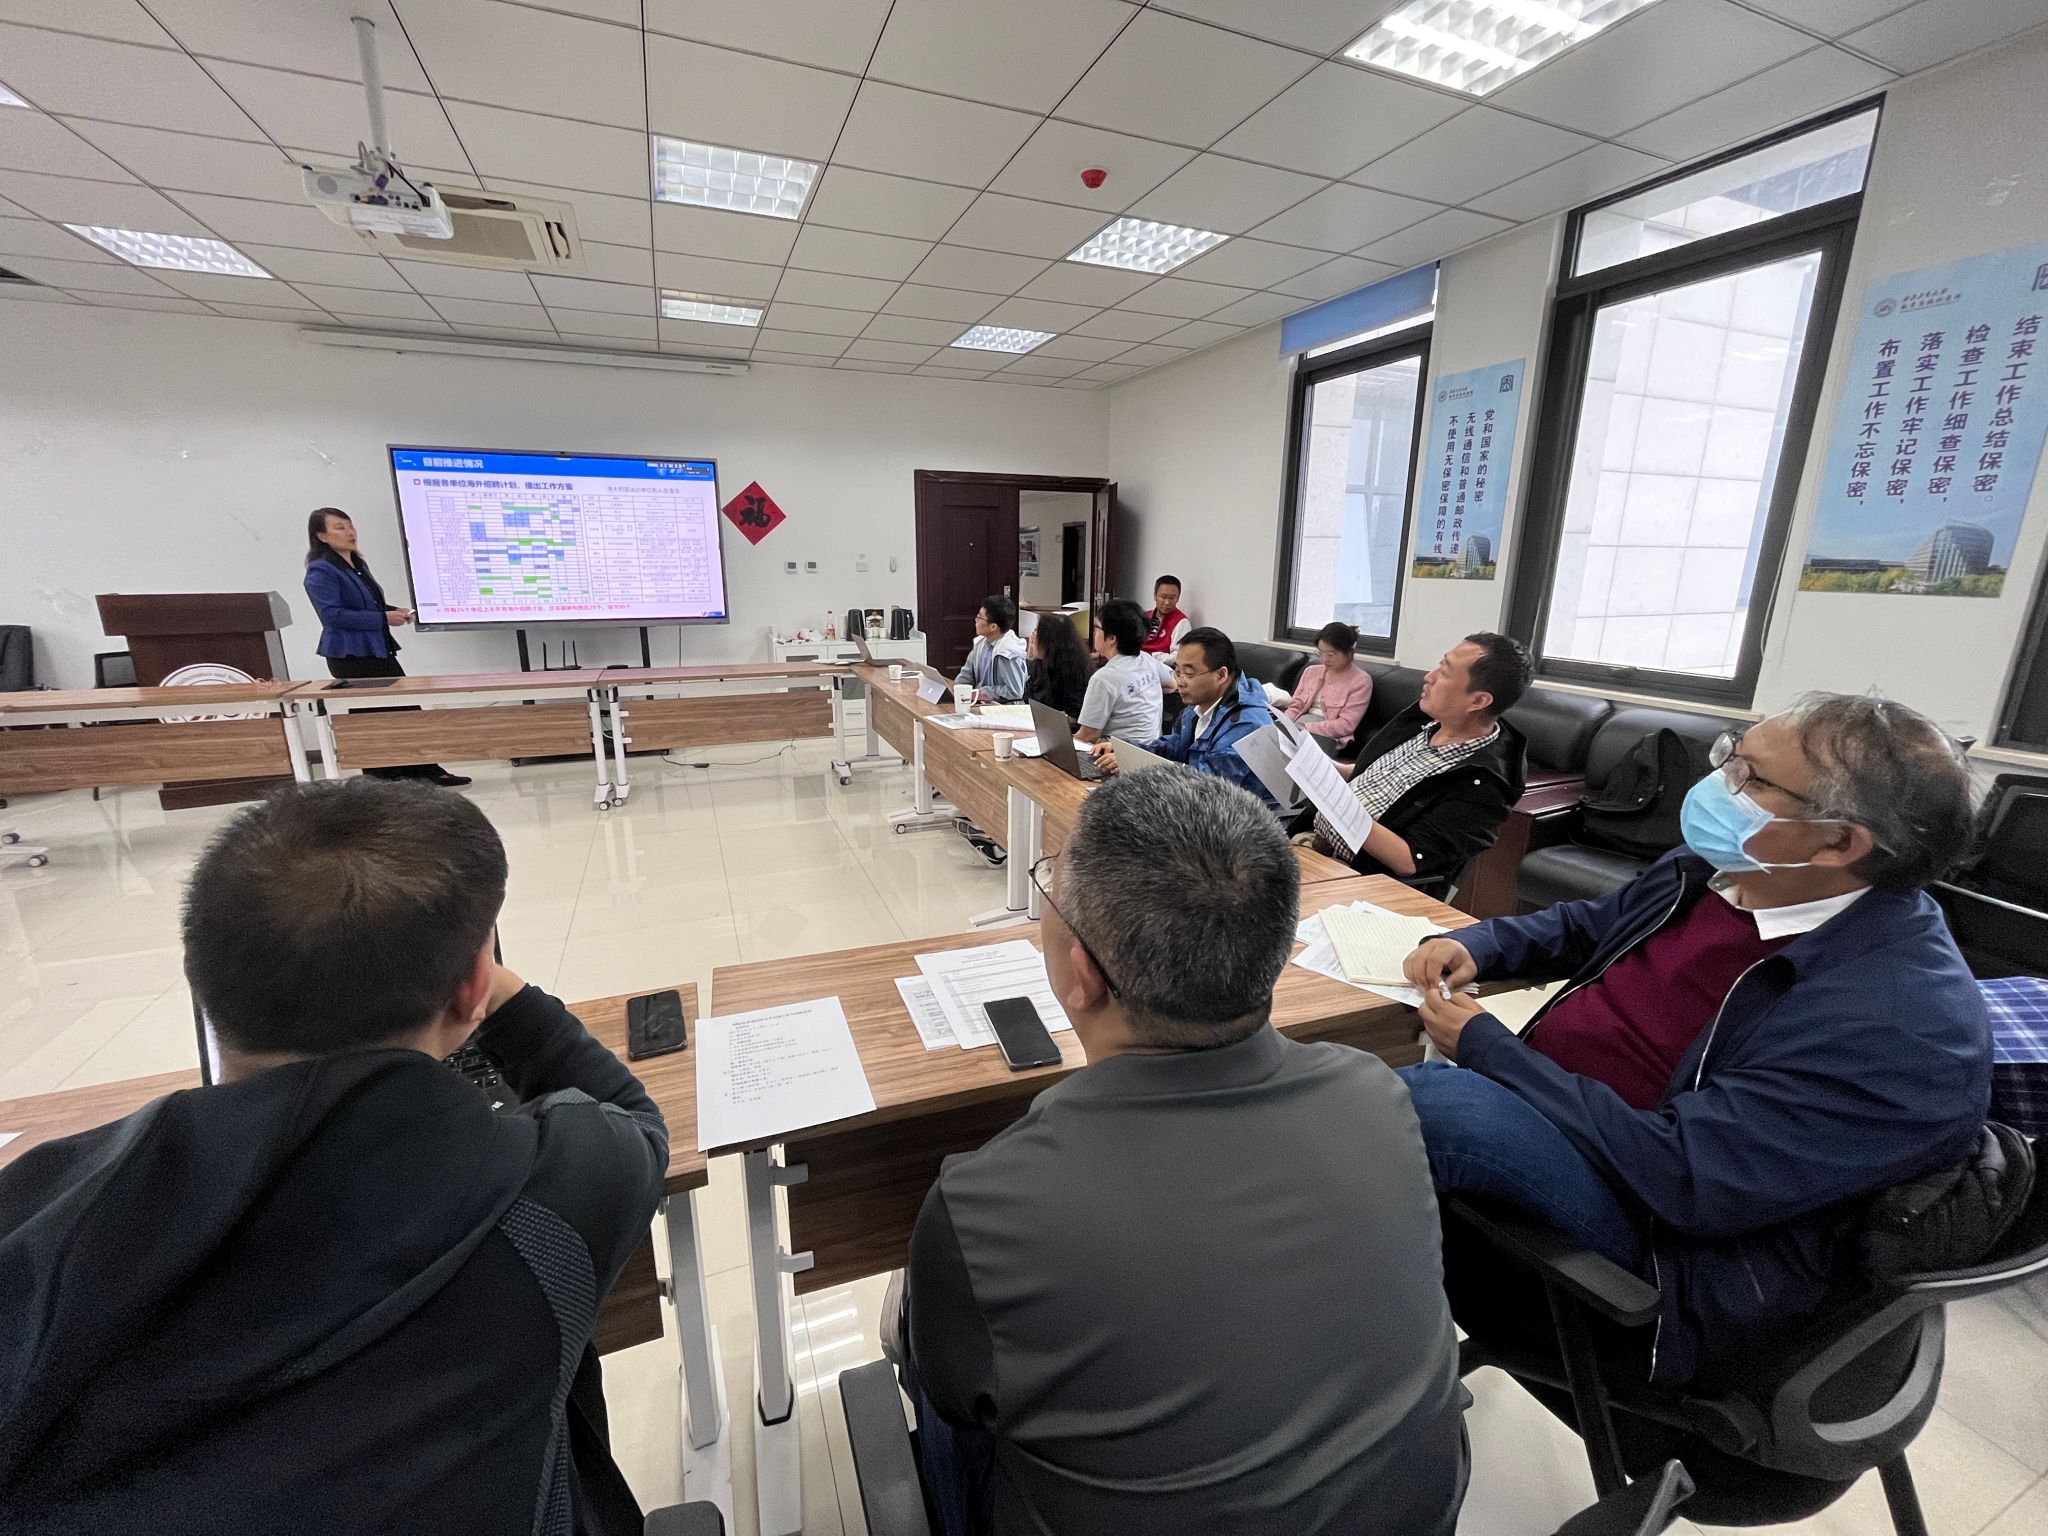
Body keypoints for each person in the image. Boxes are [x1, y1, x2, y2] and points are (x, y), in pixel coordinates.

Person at [0, 779, 666, 1533]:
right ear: (471, 990)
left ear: (198, 977)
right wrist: (480, 986)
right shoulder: (545, 1194)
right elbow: (636, 1121)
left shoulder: (36, 1206)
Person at [901, 771, 1469, 1536]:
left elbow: (953, 1395)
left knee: (923, 1350)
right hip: (1418, 1516)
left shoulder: (982, 1209)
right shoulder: (1378, 1094)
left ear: (1081, 977)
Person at [1398, 694, 1990, 1388]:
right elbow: (1593, 924)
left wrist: (1494, 1053)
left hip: (1665, 1262)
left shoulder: (1901, 1025)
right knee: (1372, 1119)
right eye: (1730, 756)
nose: (1718, 784)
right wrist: (1481, 943)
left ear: (1838, 843)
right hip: (1582, 1129)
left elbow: (1684, 1176)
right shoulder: (1727, 871)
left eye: (1750, 778)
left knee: (1418, 1109)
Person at [1302, 633, 1530, 892]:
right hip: (1310, 846)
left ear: (1478, 701)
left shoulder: (1484, 784)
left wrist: (1335, 802)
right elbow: (1370, 774)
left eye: (1445, 672)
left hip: (1355, 880)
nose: (1429, 677)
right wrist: (1314, 762)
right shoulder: (1423, 722)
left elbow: (1408, 859)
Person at [303, 507, 469, 787]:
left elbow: (369, 606)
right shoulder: (321, 570)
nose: (350, 532)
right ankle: (386, 778)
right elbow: (333, 615)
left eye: (350, 525)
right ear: (321, 536)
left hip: (377, 649)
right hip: (351, 654)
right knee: (372, 717)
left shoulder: (357, 565)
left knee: (404, 710)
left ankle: (420, 770)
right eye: (339, 527)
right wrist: (383, 618)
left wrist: (394, 611)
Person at [1099, 626, 1280, 813]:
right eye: (1177, 672)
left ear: (1221, 675)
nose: (1180, 682)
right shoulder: (1198, 707)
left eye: (1189, 674)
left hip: (1241, 820)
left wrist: (1139, 765)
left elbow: (1209, 786)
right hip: (1203, 807)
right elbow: (1172, 747)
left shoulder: (1247, 723)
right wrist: (1126, 750)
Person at [1074, 597, 1162, 746]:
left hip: (1117, 753)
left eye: (1097, 627)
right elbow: (1172, 684)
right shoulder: (1146, 660)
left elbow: (1088, 735)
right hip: (1153, 749)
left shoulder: (1104, 678)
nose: (1094, 632)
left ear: (1112, 638)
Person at [1281, 621, 1373, 753]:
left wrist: (1307, 728)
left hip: (1327, 736)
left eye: (1330, 655)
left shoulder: (1361, 681)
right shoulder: (1311, 671)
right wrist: (1283, 722)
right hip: (1298, 727)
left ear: (1348, 652)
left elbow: (1346, 725)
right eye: (1320, 653)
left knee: (1292, 754)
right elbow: (1296, 705)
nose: (1324, 659)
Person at [954, 594, 1027, 704]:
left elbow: (1014, 692)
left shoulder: (1008, 652)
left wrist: (980, 692)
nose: (976, 620)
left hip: (1004, 708)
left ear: (993, 627)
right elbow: (966, 675)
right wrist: (956, 689)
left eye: (979, 617)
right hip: (982, 703)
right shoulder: (980, 643)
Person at [1023, 612, 1089, 721]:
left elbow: (1074, 715)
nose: (1033, 638)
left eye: (1037, 633)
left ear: (1049, 641)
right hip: (1037, 721)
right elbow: (1028, 698)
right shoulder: (1039, 663)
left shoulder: (1072, 671)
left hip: (1059, 725)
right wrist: (1030, 658)